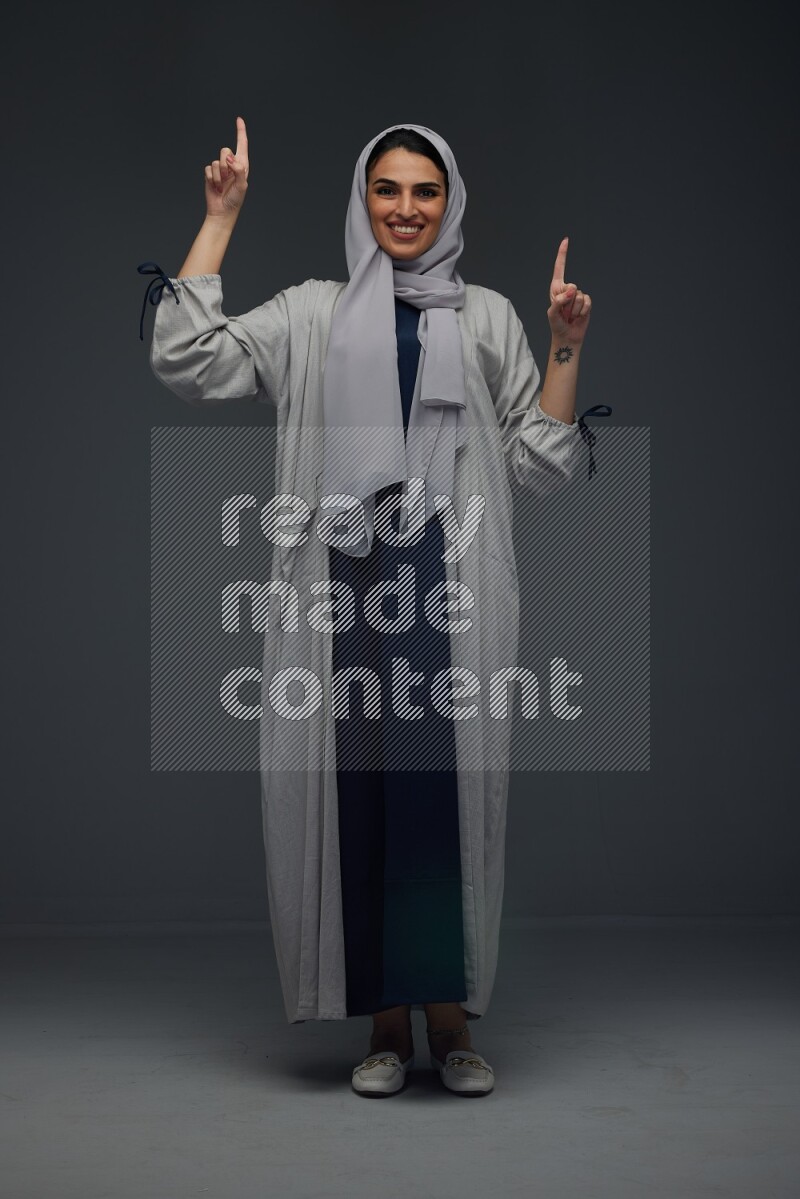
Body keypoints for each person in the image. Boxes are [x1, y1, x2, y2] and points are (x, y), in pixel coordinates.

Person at [142, 117, 607, 1098]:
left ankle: (450, 1018)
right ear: (362, 200)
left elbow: (539, 459)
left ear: (449, 204)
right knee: (354, 799)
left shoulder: (481, 318)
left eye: (423, 192)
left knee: (439, 801)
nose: (403, 209)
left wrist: (563, 347)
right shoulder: (313, 313)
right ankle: (384, 1024)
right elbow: (188, 359)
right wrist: (219, 217)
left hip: (448, 586)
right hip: (338, 586)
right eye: (385, 190)